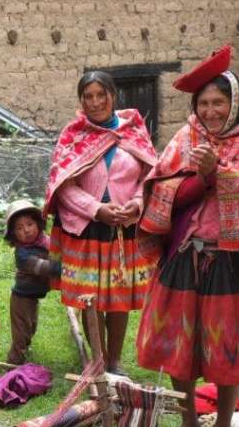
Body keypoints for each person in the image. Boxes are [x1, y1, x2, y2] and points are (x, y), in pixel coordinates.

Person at [135, 45, 239, 427]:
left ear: (235, 102)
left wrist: (217, 171)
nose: (210, 111)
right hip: (186, 253)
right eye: (203, 103)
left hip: (232, 259)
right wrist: (202, 178)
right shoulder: (186, 137)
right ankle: (188, 422)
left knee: (228, 346)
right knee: (178, 344)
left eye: (219, 102)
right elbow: (166, 190)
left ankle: (223, 426)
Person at [44, 71, 157, 374]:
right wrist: (96, 209)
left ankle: (116, 360)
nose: (95, 102)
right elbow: (63, 185)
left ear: (113, 95)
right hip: (88, 225)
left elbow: (150, 175)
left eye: (100, 95)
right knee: (89, 295)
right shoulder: (73, 135)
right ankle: (99, 358)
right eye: (88, 96)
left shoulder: (133, 130)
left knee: (118, 295)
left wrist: (135, 204)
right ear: (81, 100)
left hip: (125, 224)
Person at [3, 199, 58, 365]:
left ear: (38, 224)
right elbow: (45, 268)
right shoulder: (22, 254)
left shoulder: (46, 242)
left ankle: (24, 351)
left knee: (31, 326)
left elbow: (57, 251)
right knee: (21, 330)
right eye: (19, 228)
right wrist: (64, 268)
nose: (26, 230)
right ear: (13, 234)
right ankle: (15, 361)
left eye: (29, 224)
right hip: (21, 298)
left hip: (33, 297)